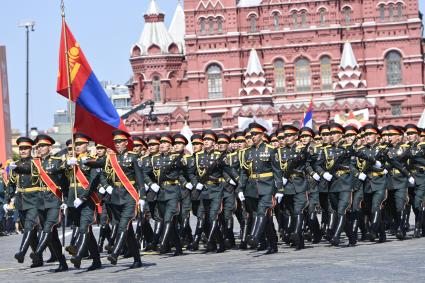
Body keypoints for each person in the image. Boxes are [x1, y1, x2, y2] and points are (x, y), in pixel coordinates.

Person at [105, 130, 144, 268]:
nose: (117, 144)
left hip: (129, 196)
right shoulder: (111, 158)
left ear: (126, 143)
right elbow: (102, 171)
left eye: (120, 141)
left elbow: (140, 178)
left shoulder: (134, 157)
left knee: (123, 225)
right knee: (129, 232)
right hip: (115, 196)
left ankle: (115, 253)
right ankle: (137, 260)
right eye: (115, 142)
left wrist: (142, 197)